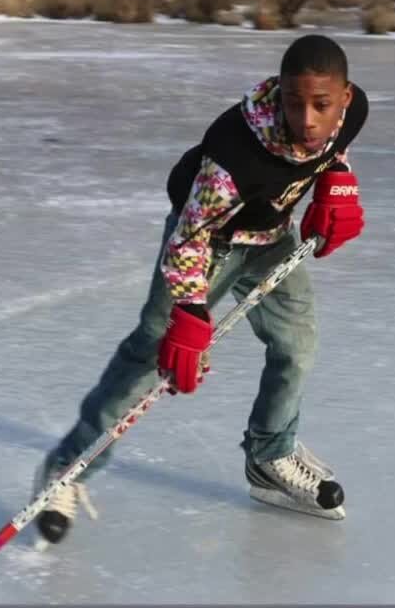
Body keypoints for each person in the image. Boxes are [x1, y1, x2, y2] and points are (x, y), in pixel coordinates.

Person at [32, 34, 369, 545]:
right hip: (206, 244)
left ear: (344, 98)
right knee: (151, 353)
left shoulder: (353, 112)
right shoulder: (235, 155)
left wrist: (337, 182)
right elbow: (189, 237)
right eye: (294, 103)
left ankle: (270, 455)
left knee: (297, 345)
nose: (307, 120)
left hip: (271, 237)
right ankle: (67, 468)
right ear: (278, 94)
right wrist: (189, 312)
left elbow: (332, 147)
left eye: (321, 105)